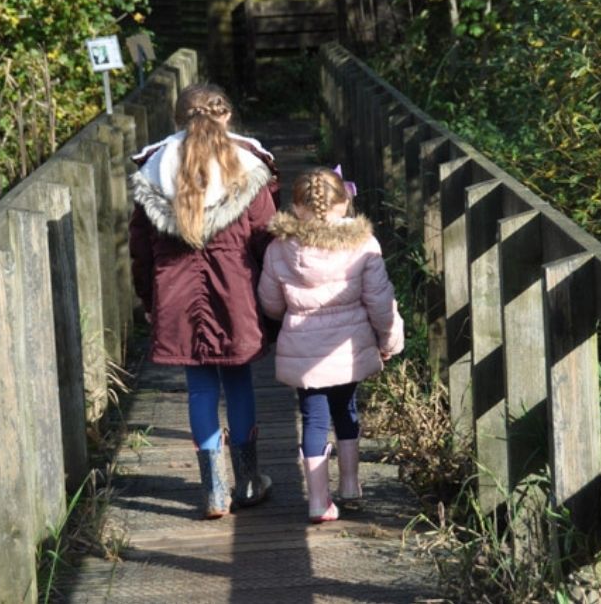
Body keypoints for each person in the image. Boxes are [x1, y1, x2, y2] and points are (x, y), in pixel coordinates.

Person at [128, 83, 278, 519]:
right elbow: (269, 239)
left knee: (199, 389)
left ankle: (214, 491)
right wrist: (274, 301)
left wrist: (147, 296)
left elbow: (139, 247)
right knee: (239, 383)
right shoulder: (248, 167)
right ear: (226, 116)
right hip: (236, 294)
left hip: (176, 296)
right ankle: (248, 482)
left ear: (177, 120)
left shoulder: (155, 170)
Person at [257, 167, 404, 523]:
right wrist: (389, 340)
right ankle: (351, 484)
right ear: (345, 201)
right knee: (347, 409)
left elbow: (271, 303)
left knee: (314, 418)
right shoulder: (363, 245)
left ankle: (318, 502)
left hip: (305, 352)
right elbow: (381, 303)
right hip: (348, 348)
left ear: (296, 207)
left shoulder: (280, 248)